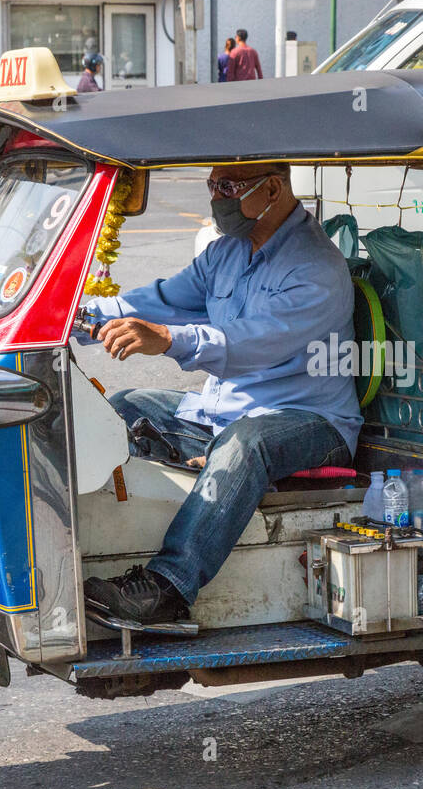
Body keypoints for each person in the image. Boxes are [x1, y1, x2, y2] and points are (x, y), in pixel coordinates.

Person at [78, 162, 362, 623]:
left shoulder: (317, 269)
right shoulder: (225, 252)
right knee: (122, 408)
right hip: (224, 412)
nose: (216, 199)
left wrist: (169, 340)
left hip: (311, 421)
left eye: (228, 187)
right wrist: (77, 316)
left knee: (243, 444)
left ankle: (167, 586)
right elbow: (161, 299)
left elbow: (252, 344)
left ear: (273, 188)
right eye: (212, 186)